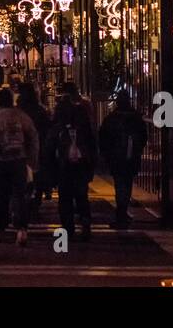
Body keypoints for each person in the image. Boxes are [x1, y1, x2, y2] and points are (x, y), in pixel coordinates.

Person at [0, 87, 40, 245]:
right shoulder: (21, 116)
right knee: (20, 195)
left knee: (2, 196)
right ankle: (22, 229)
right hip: (19, 160)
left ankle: (0, 228)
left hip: (0, 161)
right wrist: (32, 160)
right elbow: (33, 137)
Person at [48, 81, 97, 240]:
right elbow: (91, 141)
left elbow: (51, 142)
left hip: (63, 162)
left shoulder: (60, 119)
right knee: (81, 194)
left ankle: (68, 227)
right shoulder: (82, 113)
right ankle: (85, 220)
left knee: (65, 196)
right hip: (81, 161)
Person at [99, 91, 148, 229]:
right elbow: (143, 137)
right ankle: (123, 210)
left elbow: (103, 137)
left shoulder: (111, 118)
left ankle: (121, 212)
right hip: (131, 156)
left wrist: (106, 154)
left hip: (116, 157)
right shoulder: (136, 118)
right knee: (127, 183)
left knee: (119, 184)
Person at [17, 82, 52, 204]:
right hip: (38, 145)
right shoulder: (40, 110)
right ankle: (37, 197)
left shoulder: (19, 110)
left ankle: (27, 198)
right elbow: (47, 128)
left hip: (21, 146)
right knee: (37, 174)